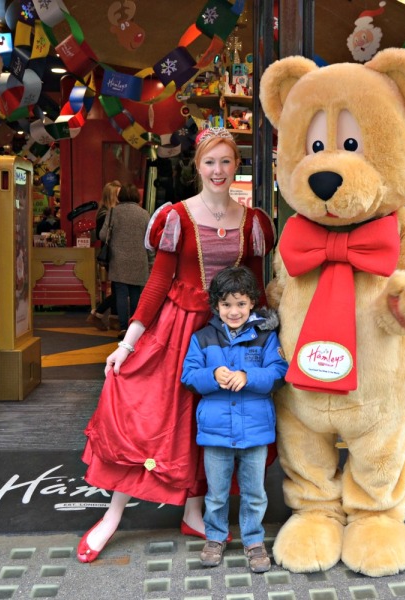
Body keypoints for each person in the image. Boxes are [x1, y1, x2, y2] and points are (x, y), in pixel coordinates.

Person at [77, 127, 276, 564]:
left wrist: (264, 341)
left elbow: (257, 289)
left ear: (235, 165)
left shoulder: (254, 221)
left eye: (225, 161)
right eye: (210, 162)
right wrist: (127, 345)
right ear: (198, 166)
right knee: (153, 419)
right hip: (176, 333)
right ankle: (112, 516)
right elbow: (156, 284)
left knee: (211, 426)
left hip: (228, 338)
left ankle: (194, 510)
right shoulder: (178, 217)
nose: (218, 170)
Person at [181, 266, 288, 573]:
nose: (234, 311)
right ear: (216, 305)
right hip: (215, 433)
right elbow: (188, 376)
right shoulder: (202, 338)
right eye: (226, 304)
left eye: (241, 303)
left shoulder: (266, 337)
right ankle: (215, 537)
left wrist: (248, 376)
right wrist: (213, 375)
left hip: (254, 433)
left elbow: (279, 372)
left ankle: (254, 541)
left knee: (254, 493)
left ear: (252, 303)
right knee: (216, 494)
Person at [99, 183, 151, 339]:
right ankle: (134, 328)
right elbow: (150, 240)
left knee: (121, 293)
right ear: (137, 196)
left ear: (120, 196)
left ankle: (123, 328)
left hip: (118, 259)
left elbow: (102, 235)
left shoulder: (114, 212)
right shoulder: (144, 214)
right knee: (136, 294)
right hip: (139, 260)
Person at [87, 181, 121, 331]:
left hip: (113, 254)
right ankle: (98, 314)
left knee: (116, 287)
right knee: (120, 288)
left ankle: (114, 318)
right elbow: (103, 236)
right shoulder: (106, 213)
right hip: (112, 254)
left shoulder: (105, 211)